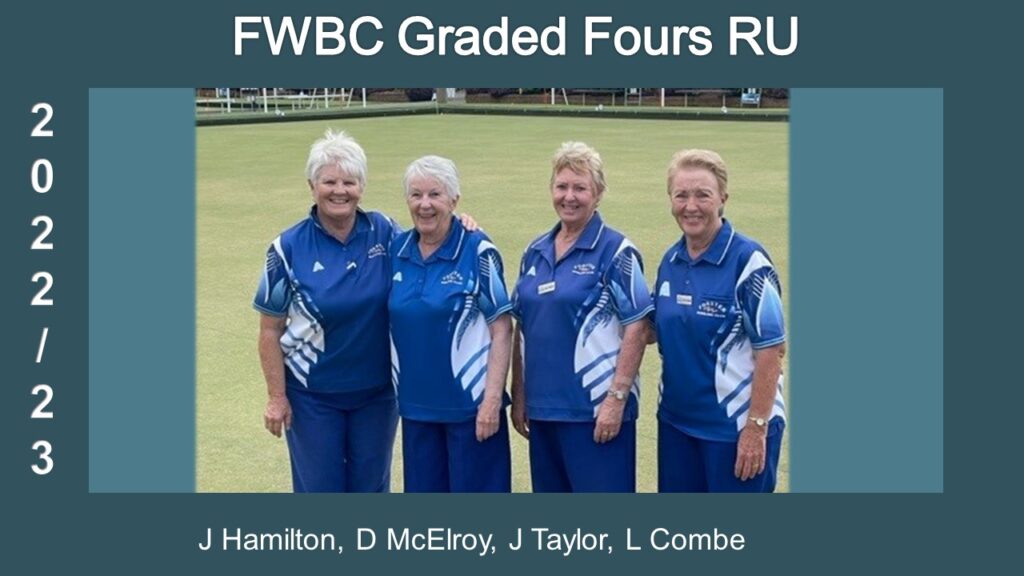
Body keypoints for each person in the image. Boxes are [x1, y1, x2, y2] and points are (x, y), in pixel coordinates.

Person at [252, 130, 477, 492]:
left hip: (377, 393)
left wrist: (460, 223)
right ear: (312, 186)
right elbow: (269, 330)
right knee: (321, 490)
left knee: (372, 488)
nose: (339, 190)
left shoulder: (386, 232)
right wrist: (277, 397)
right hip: (312, 396)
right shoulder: (287, 248)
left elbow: (429, 246)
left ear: (362, 186)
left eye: (349, 182)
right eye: (329, 181)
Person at [510, 141, 653, 493]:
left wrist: (616, 398)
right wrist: (519, 393)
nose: (569, 197)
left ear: (598, 194)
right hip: (543, 413)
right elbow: (521, 325)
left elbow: (639, 325)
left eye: (580, 188)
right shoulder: (535, 251)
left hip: (595, 412)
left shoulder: (617, 251)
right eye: (562, 186)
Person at [651, 149, 787, 492]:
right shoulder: (671, 259)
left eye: (703, 195)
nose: (691, 205)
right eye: (681, 195)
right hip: (676, 425)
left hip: (734, 428)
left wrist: (756, 428)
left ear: (722, 198)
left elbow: (771, 350)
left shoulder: (749, 261)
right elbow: (658, 329)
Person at [388, 155, 513, 492]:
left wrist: (491, 402)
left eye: (435, 195)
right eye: (416, 195)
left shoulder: (479, 250)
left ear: (454, 200)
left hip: (471, 411)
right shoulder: (395, 248)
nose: (424, 205)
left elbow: (502, 329)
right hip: (416, 409)